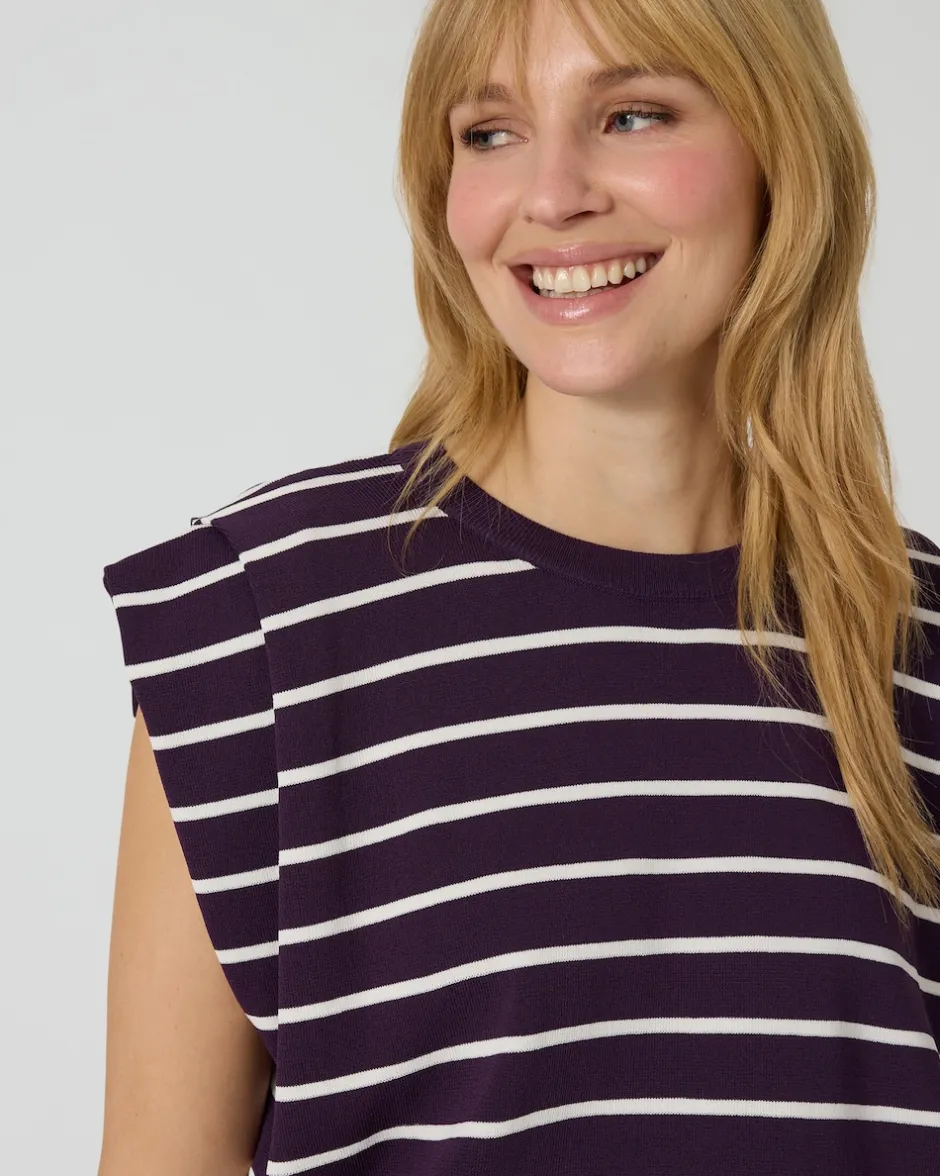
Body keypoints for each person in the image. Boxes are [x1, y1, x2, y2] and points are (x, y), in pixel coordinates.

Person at [96, 0, 940, 1173]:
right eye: (490, 133)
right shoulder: (260, 635)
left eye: (632, 116)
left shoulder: (919, 642)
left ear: (780, 149)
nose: (552, 195)